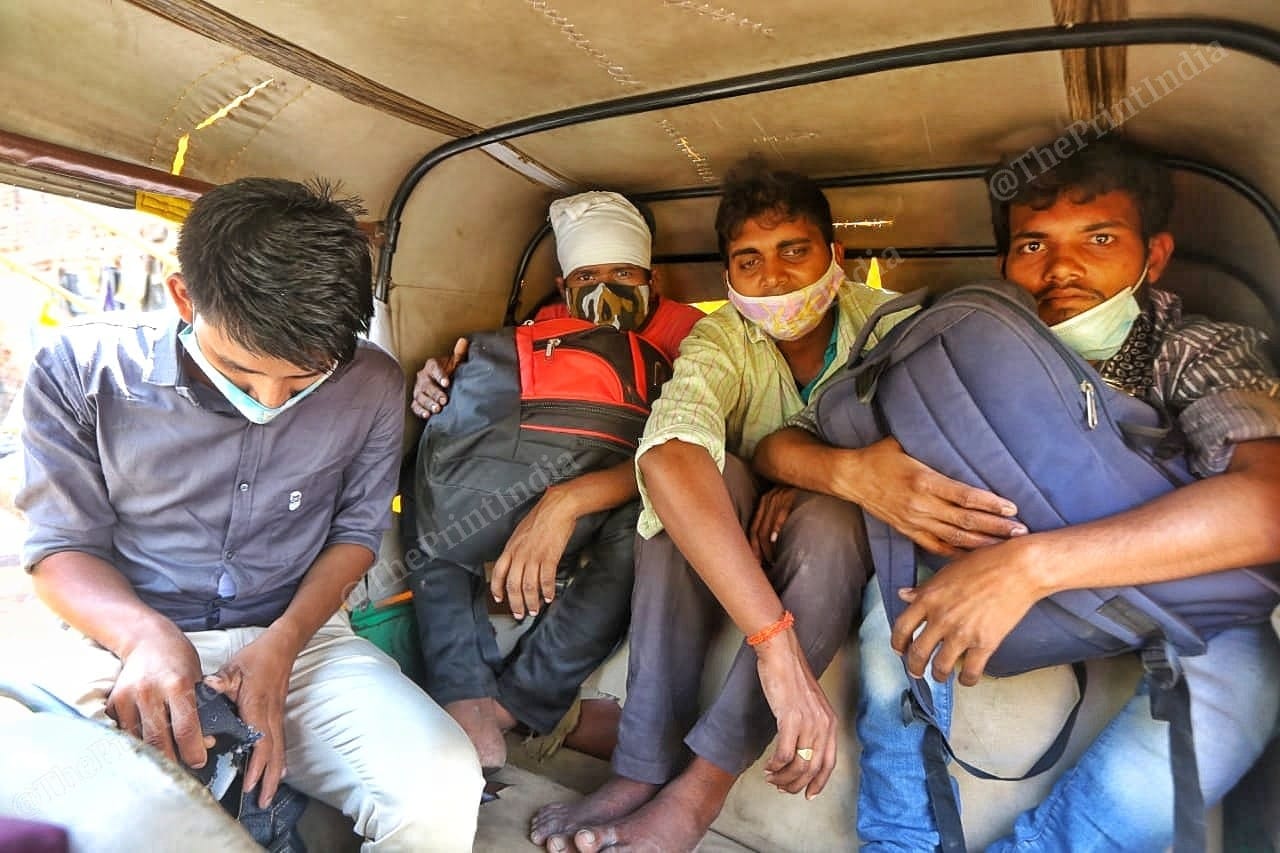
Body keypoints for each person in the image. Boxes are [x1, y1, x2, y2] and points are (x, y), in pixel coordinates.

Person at [756, 135, 1280, 850]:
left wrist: (1031, 568)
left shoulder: (1194, 348)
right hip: (972, 555)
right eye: (1033, 245)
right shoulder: (958, 349)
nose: (1063, 266)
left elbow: (1266, 505)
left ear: (1153, 256)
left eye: (1099, 237)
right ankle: (899, 837)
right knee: (893, 603)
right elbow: (780, 444)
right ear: (1004, 264)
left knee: (1247, 682)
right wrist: (854, 475)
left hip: (1154, 586)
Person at [528, 157, 1020, 853]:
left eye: (795, 251)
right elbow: (669, 451)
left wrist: (820, 475)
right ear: (728, 278)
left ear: (836, 258)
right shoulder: (722, 335)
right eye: (748, 261)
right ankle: (640, 768)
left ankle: (699, 792)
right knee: (685, 483)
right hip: (745, 523)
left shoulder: (892, 324)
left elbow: (918, 459)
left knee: (827, 519)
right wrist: (775, 649)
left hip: (840, 532)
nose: (775, 277)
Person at [17, 178, 484, 851]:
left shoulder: (373, 383)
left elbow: (355, 534)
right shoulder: (81, 369)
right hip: (120, 634)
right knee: (94, 810)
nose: (271, 399)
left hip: (299, 630)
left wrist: (284, 643)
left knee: (441, 780)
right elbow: (61, 550)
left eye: (304, 380)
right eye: (240, 374)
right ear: (184, 297)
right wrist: (146, 638)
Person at [408, 191, 702, 771]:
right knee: (430, 492)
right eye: (588, 275)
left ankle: (519, 701)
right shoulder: (542, 327)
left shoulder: (690, 336)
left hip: (622, 490)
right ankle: (464, 690)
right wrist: (439, 384)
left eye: (624, 273)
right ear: (565, 286)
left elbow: (687, 456)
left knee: (647, 525)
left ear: (653, 277)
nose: (606, 288)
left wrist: (564, 504)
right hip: (530, 480)